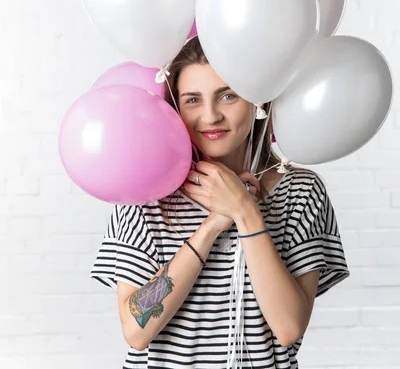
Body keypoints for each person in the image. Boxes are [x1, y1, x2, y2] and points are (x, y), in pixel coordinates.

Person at [90, 36, 350, 368]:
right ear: (175, 107)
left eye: (228, 95)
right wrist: (212, 224)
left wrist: (244, 211)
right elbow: (137, 330)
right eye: (192, 100)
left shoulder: (300, 190)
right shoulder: (145, 192)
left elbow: (288, 328)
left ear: (257, 100)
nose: (211, 116)